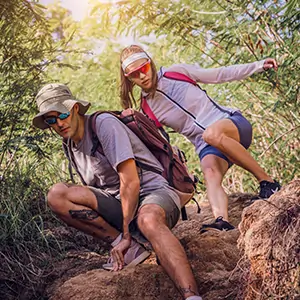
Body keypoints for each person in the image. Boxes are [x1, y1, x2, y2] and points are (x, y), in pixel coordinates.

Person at [32, 83, 203, 300]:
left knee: (148, 220)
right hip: (117, 203)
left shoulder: (103, 124)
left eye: (62, 114)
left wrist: (127, 233)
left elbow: (130, 182)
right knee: (57, 194)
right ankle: (131, 250)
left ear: (74, 108)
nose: (59, 123)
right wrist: (122, 236)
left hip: (152, 192)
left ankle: (192, 296)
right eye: (50, 120)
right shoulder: (69, 144)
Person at [119, 45, 281, 232]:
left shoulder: (176, 73)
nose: (142, 76)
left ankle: (269, 183)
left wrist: (258, 65)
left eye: (144, 68)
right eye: (134, 74)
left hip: (231, 124)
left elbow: (220, 74)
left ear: (151, 63)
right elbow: (158, 146)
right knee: (210, 173)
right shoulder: (147, 108)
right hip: (207, 145)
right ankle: (222, 221)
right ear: (129, 78)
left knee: (211, 134)